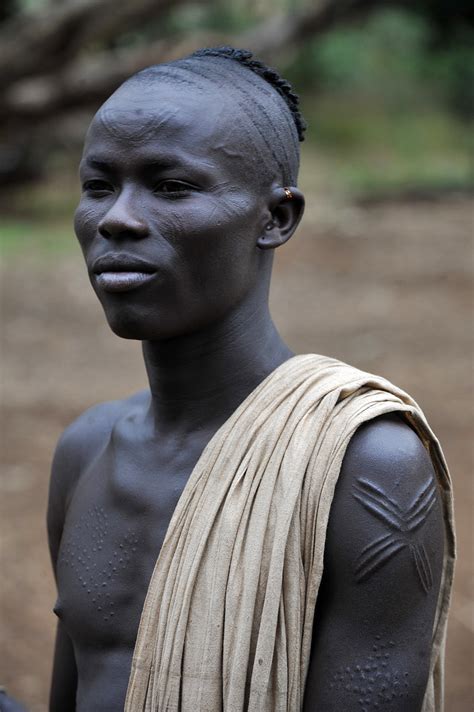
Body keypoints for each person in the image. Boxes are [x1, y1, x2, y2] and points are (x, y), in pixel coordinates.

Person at [47, 47, 454, 711]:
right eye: (98, 186)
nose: (116, 218)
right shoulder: (86, 452)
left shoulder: (362, 468)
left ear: (276, 218)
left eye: (171, 186)